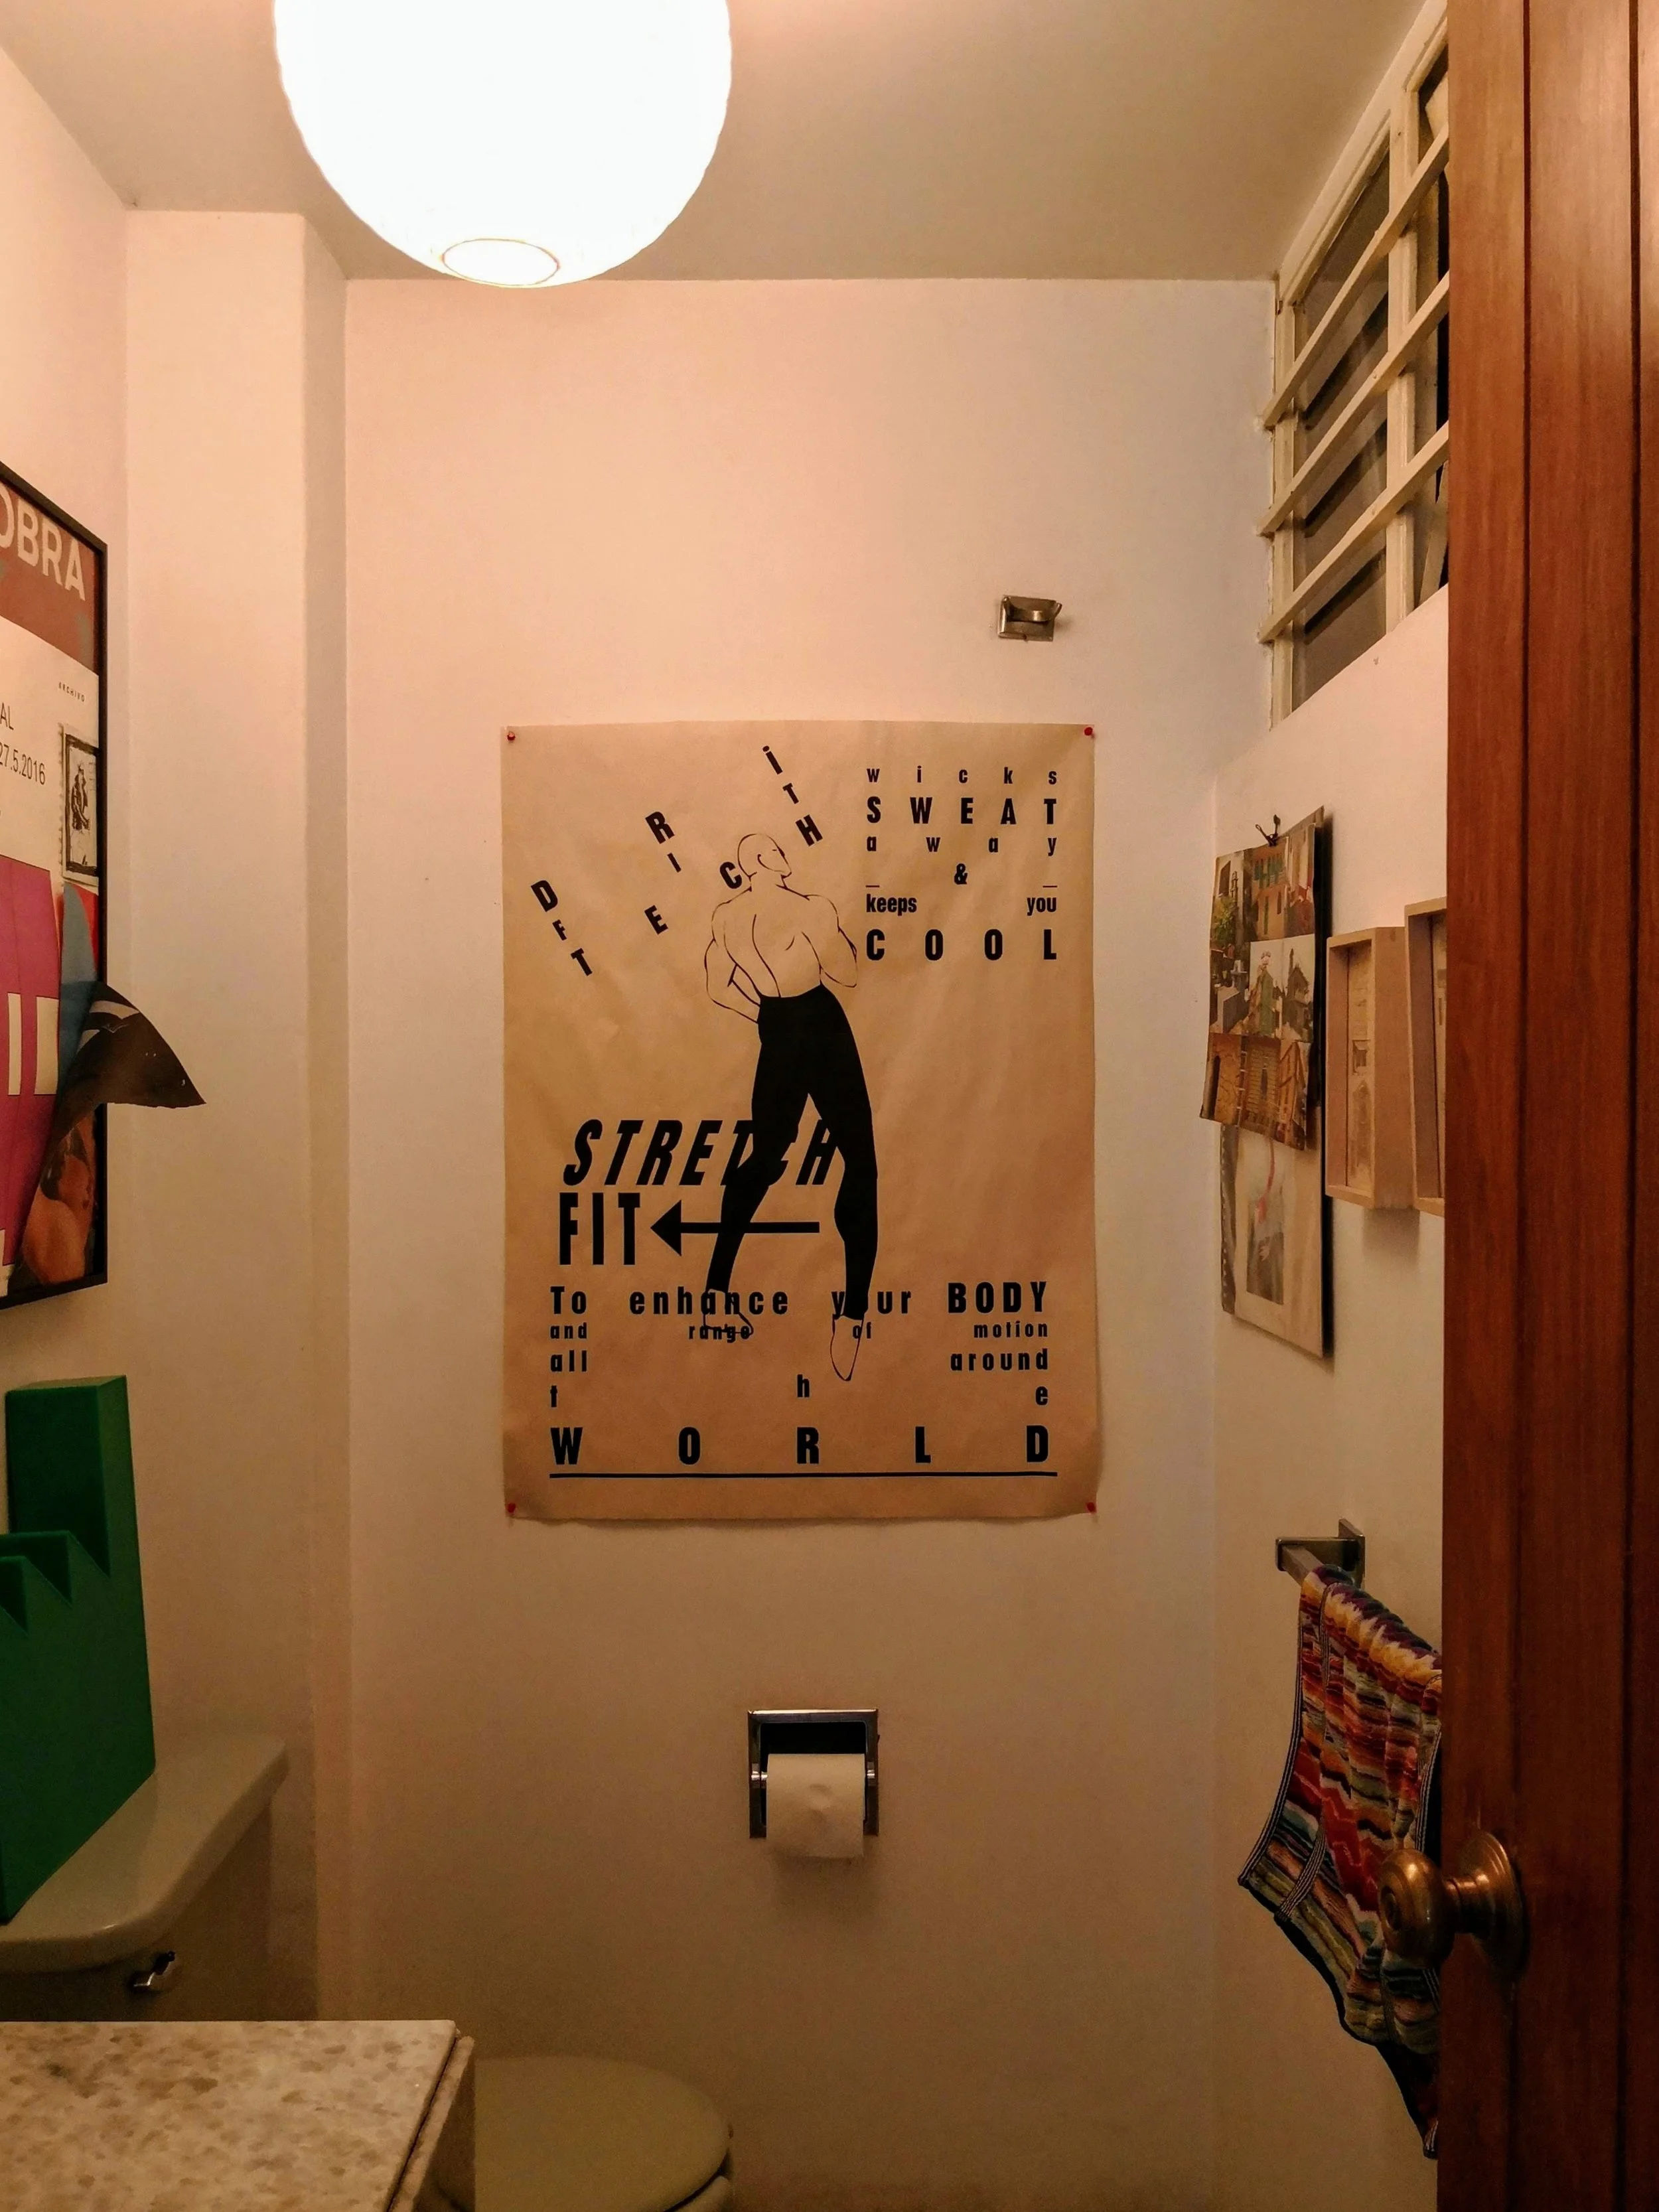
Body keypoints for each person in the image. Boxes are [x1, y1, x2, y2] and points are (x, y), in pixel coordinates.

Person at [704, 834, 877, 1380]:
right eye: (778, 852)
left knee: (766, 1155)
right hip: (820, 1023)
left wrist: (762, 1014)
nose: (786, 858)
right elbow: (847, 972)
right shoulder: (811, 907)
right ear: (762, 861)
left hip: (776, 1027)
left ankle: (715, 1290)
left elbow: (718, 987)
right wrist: (829, 937)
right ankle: (852, 1315)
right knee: (861, 1161)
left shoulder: (727, 917)